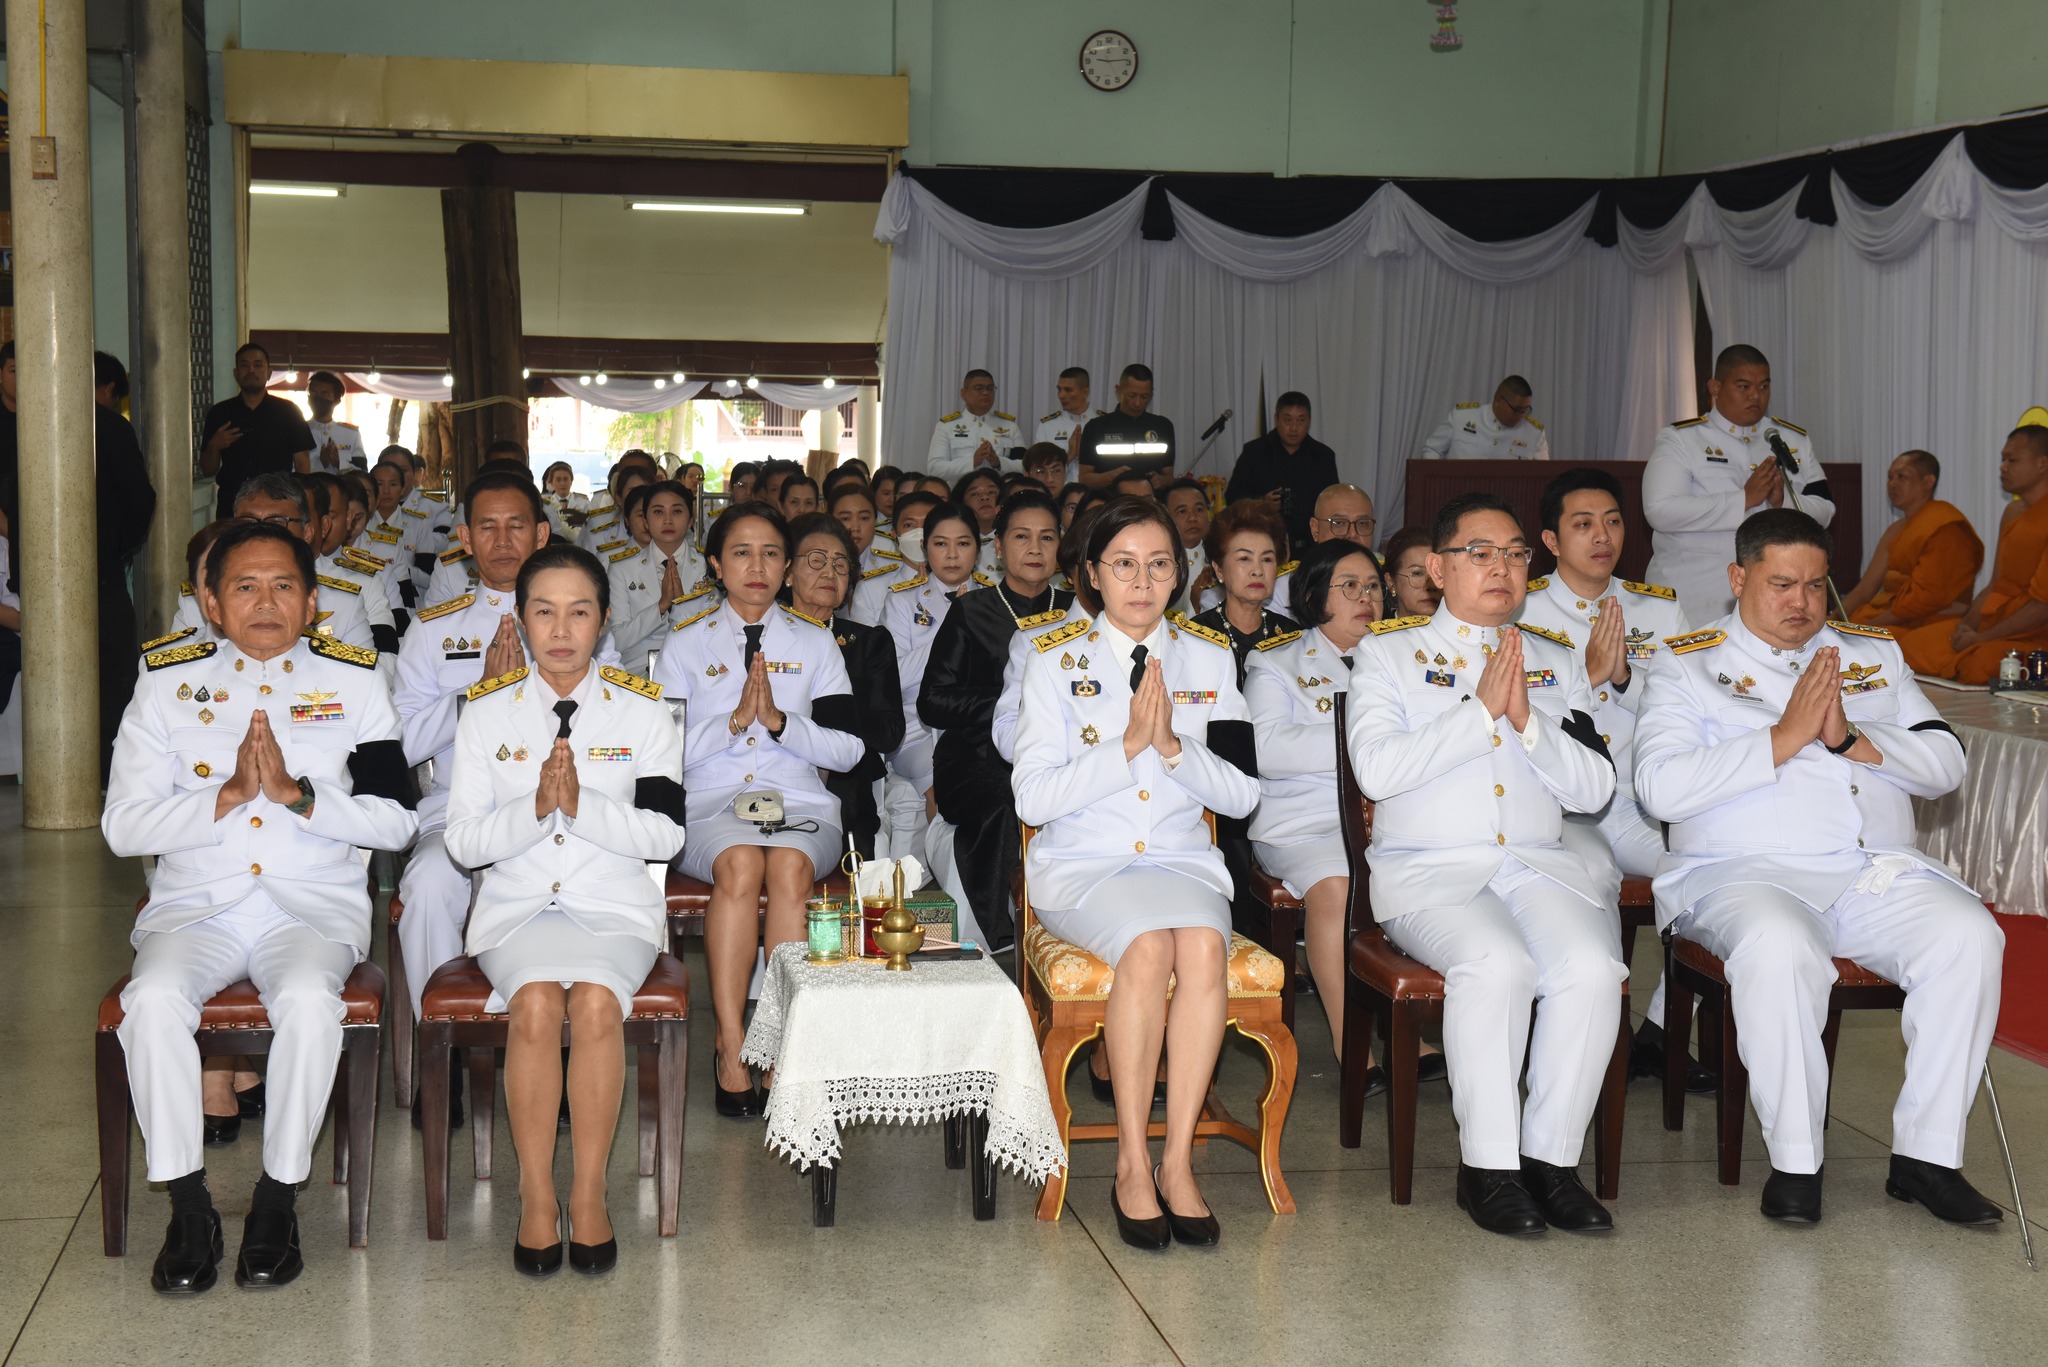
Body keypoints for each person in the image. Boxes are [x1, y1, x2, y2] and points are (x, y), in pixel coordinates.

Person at [1634, 508, 2004, 1226]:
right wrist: (1784, 736)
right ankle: (1796, 1160)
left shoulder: (1871, 654)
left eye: (1812, 584)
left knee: (1970, 936)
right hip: (1743, 873)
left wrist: (1850, 739)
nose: (1800, 602)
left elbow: (1946, 763)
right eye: (1780, 584)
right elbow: (1660, 786)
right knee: (1780, 946)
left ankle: (1926, 1156)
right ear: (1738, 577)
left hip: (1868, 872)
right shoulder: (1687, 661)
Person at [102, 520, 417, 1294]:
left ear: (312, 602)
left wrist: (299, 797)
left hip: (308, 911)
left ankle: (277, 1201)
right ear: (210, 601)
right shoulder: (166, 680)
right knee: (150, 1000)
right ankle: (189, 1206)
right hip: (197, 909)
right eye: (244, 585)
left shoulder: (354, 679)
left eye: (283, 585)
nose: (265, 601)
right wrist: (227, 796)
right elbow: (122, 826)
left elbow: (398, 819)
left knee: (312, 1000)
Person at [1345, 492, 1622, 1236]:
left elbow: (1596, 787)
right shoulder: (1388, 654)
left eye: (1514, 553)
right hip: (1430, 872)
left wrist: (1530, 721)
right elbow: (1376, 769)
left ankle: (1551, 1161)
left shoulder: (1557, 660)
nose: (1502, 568)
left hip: (1535, 864)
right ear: (1437, 568)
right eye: (1480, 553)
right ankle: (1489, 1168)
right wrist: (1480, 714)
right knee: (1498, 964)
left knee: (1595, 969)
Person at [1012, 496, 1258, 1250]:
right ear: (1093, 573)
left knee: (1205, 947)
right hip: (1086, 866)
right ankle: (1129, 1160)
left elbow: (1244, 793)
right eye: (1124, 564)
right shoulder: (1053, 660)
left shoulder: (1212, 660)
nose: (1142, 581)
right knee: (1150, 946)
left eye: (1159, 564)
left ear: (1179, 574)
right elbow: (1032, 795)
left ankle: (1176, 1162)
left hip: (1183, 860)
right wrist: (1123, 747)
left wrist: (1176, 748)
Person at [444, 544, 684, 1277]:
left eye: (579, 610)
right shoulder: (486, 714)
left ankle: (588, 1197)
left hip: (615, 907)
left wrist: (583, 809)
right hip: (518, 910)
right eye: (543, 610)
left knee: (601, 1006)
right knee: (538, 1005)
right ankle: (536, 1198)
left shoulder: (644, 713)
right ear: (520, 619)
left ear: (604, 621)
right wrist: (535, 807)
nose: (560, 627)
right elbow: (462, 841)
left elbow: (667, 833)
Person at [653, 503, 863, 1115]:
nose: (758, 565)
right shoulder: (684, 646)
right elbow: (662, 753)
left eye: (772, 553)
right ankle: (730, 1040)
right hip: (712, 802)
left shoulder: (818, 644)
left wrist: (779, 722)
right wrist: (734, 721)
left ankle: (783, 1042)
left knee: (791, 868)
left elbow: (847, 750)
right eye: (742, 552)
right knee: (742, 863)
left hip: (801, 800)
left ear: (787, 566)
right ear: (716, 564)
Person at [1515, 468, 1704, 1089]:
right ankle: (1589, 1029)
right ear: (1550, 539)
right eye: (1583, 524)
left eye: (1614, 521)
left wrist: (1624, 680)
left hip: (1641, 801)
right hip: (1562, 805)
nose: (1603, 536)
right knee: (1591, 872)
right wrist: (1594, 680)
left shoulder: (1660, 607)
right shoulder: (1521, 609)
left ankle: (1656, 1032)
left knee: (1711, 865)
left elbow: (1684, 708)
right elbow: (1519, 722)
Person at [393, 473, 565, 1094]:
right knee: (430, 881)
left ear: (541, 533)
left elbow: (611, 722)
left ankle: (562, 1049)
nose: (502, 540)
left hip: (555, 812)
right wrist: (474, 696)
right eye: (486, 527)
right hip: (456, 807)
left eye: (516, 525)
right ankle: (446, 1057)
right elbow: (403, 743)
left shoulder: (574, 615)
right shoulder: (434, 628)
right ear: (463, 538)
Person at [1245, 538, 1435, 1088]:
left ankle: (1410, 1027)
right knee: (1338, 881)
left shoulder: (1411, 656)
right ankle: (1350, 1043)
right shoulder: (1275, 661)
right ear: (1312, 595)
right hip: (1305, 821)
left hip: (1396, 813)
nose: (1365, 597)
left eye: (1374, 585)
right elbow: (1267, 750)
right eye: (1348, 586)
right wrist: (1365, 741)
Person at [921, 490, 1073, 949]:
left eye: (1047, 538)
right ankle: (1003, 928)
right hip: (976, 753)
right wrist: (1014, 705)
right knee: (1012, 798)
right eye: (1022, 537)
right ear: (999, 546)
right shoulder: (971, 611)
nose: (1035, 549)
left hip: (1063, 751)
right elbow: (933, 702)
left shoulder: (1077, 612)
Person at [1643, 344, 1834, 624]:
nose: (1756, 396)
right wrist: (1743, 499)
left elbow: (1826, 509)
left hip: (1772, 600)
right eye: (1743, 386)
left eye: (1764, 386)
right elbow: (1659, 510)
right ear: (1716, 387)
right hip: (1693, 594)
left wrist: (1783, 502)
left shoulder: (1791, 441)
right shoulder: (1682, 439)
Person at [786, 514, 904, 861]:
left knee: (848, 789)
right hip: (773, 770)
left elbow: (888, 733)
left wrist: (828, 706)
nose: (830, 572)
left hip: (845, 780)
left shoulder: (868, 643)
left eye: (841, 564)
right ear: (788, 572)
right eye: (817, 560)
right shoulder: (762, 636)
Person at [1900, 426, 2048, 682]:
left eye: (2012, 460)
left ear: (2042, 464)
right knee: (1910, 647)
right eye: (2003, 459)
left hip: (2036, 632)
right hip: (1997, 621)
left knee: (1978, 665)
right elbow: (1995, 584)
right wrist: (1967, 624)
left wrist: (1983, 638)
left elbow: (2042, 607)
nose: (2003, 467)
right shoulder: (2012, 512)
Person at [880, 502, 980, 867]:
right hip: (916, 728)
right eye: (940, 544)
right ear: (924, 549)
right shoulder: (903, 602)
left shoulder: (992, 599)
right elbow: (895, 678)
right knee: (941, 773)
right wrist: (954, 630)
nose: (952, 555)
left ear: (979, 549)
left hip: (977, 724)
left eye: (963, 544)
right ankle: (946, 873)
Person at [93, 352, 159, 775]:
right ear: (112, 391)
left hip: (37, 568)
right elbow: (141, 499)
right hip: (100, 568)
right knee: (114, 668)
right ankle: (106, 767)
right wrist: (120, 544)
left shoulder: (35, 421)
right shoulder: (111, 426)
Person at [1840, 451, 1982, 628]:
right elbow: (1864, 590)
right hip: (1886, 617)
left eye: (1902, 477)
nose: (1892, 483)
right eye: (1890, 477)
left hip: (1929, 622)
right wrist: (1832, 618)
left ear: (1928, 482)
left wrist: (1869, 630)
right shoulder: (1896, 529)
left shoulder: (1946, 527)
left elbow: (1926, 600)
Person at [200, 342, 315, 519]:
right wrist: (214, 446)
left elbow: (302, 464)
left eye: (258, 365)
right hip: (231, 506)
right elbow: (208, 470)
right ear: (236, 373)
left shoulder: (288, 411)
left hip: (278, 503)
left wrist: (303, 506)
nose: (251, 370)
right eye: (244, 365)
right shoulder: (220, 412)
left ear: (269, 372)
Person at [1188, 500, 1297, 680]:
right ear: (1219, 568)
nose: (1257, 570)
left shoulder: (1292, 637)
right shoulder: (1196, 636)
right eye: (1244, 558)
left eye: (1267, 559)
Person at [606, 480, 710, 668]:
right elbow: (616, 640)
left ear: (691, 519)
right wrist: (661, 607)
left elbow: (715, 633)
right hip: (638, 670)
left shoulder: (707, 566)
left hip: (697, 665)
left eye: (677, 511)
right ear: (646, 521)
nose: (668, 520)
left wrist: (681, 608)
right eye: (658, 512)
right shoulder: (622, 569)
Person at [1223, 392, 1341, 552]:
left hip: (1312, 548)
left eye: (1300, 420)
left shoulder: (1323, 456)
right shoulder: (1254, 452)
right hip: (1263, 545)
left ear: (1309, 422)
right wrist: (1261, 502)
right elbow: (1232, 497)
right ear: (1276, 419)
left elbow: (1334, 504)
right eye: (1287, 420)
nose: (1294, 428)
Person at [1272, 484, 1376, 621]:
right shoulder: (1284, 589)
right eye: (1339, 523)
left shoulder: (1384, 580)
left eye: (1363, 523)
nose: (1352, 534)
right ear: (1315, 529)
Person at [1076, 365, 1176, 491]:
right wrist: (1111, 477)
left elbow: (1169, 477)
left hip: (1150, 504)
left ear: (1151, 394)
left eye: (1144, 396)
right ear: (1119, 390)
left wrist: (1161, 481)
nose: (1137, 402)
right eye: (1132, 395)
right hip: (1110, 504)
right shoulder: (1096, 427)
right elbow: (1084, 478)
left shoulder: (1163, 426)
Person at [847, 489, 938, 627]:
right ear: (894, 535)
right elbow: (867, 646)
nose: (919, 533)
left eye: (927, 524)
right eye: (909, 525)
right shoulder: (871, 589)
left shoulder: (963, 585)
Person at [1420, 376, 1551, 462]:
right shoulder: (1462, 417)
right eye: (1516, 410)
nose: (1520, 416)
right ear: (1498, 400)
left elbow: (1542, 475)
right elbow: (1433, 450)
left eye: (1525, 410)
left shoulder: (1535, 433)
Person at [926, 370, 1021, 482]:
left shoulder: (1010, 426)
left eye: (990, 388)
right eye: (979, 388)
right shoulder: (946, 426)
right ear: (964, 393)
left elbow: (1024, 465)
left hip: (1000, 495)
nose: (985, 393)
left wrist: (998, 462)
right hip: (959, 495)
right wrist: (972, 462)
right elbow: (934, 469)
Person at [1036, 367, 1105, 487]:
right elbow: (1037, 468)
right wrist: (1069, 455)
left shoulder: (1104, 424)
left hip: (1095, 495)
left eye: (1068, 390)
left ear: (1085, 392)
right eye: (1059, 389)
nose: (1061, 395)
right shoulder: (1047, 426)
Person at [1161, 479, 1213, 616]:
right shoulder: (1159, 563)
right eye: (1182, 511)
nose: (1193, 518)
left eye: (1199, 509)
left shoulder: (1220, 557)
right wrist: (1194, 606)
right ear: (1166, 516)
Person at [303, 372, 367, 471]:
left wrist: (339, 463)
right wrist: (319, 463)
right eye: (313, 393)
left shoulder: (351, 434)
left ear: (337, 400)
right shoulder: (298, 430)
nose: (318, 398)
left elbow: (362, 472)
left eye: (325, 394)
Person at [952, 467, 1004, 575]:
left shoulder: (1012, 539)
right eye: (974, 494)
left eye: (992, 492)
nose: (984, 497)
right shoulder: (954, 544)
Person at [1382, 526, 1441, 620]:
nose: (1431, 586)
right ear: (1391, 582)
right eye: (1418, 574)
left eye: (1437, 573)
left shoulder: (1460, 632)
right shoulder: (1376, 633)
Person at [540, 461, 589, 538]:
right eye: (558, 480)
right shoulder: (545, 505)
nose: (562, 483)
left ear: (571, 481)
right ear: (552, 482)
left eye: (566, 479)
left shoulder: (583, 503)